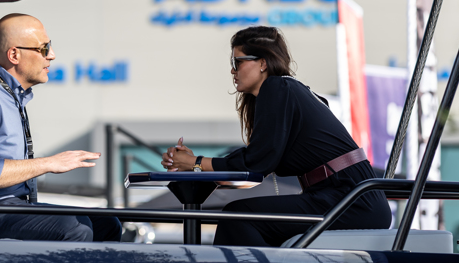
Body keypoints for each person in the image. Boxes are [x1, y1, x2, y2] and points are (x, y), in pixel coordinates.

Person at [162, 25, 390, 247]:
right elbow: (258, 158)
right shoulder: (289, 91)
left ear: (262, 63)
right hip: (349, 197)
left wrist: (196, 163)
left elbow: (255, 162)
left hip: (350, 199)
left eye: (237, 62)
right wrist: (194, 163)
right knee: (242, 217)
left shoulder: (277, 87)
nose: (232, 70)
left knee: (238, 217)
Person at [0, 13, 121, 242]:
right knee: (73, 228)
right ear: (14, 55)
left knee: (106, 223)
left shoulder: (10, 95)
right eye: (43, 48)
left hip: (0, 206)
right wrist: (49, 163)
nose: (52, 55)